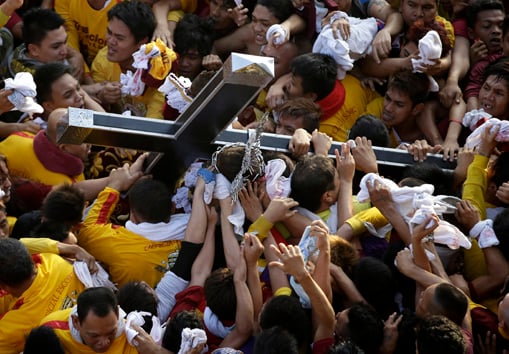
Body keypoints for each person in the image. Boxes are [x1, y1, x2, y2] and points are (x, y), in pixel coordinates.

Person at [77, 166, 191, 288]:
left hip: (129, 304)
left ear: (132, 215)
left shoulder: (118, 245)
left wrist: (115, 185)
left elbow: (86, 230)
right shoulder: (192, 231)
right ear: (173, 207)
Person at [267, 52, 380, 142]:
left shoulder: (323, 134)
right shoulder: (349, 82)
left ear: (310, 96)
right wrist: (277, 84)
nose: (286, 86)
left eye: (292, 84)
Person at [0, 238, 86, 353]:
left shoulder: (9, 329)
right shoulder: (52, 259)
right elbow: (25, 243)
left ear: (3, 286)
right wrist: (74, 249)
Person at [91, 0, 167, 118]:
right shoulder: (102, 60)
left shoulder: (160, 72)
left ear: (141, 42)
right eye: (109, 32)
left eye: (119, 38)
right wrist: (103, 98)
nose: (110, 41)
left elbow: (154, 126)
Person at [41, 287, 138, 353]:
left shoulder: (134, 339)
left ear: (117, 314)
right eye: (94, 336)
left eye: (111, 332)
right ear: (76, 322)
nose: (104, 342)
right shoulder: (51, 331)